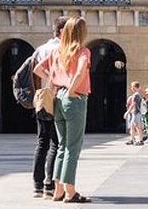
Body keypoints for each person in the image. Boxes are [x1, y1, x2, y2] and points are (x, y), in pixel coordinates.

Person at [36, 16, 91, 203]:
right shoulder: (83, 52)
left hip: (58, 99)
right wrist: (72, 90)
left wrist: (57, 84)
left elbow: (37, 69)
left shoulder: (57, 52)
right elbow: (80, 72)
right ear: (81, 33)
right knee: (72, 147)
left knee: (61, 146)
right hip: (73, 100)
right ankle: (70, 191)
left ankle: (58, 190)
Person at [31, 16, 67, 198]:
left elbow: (35, 70)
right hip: (56, 98)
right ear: (61, 31)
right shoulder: (60, 49)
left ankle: (37, 185)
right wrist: (55, 80)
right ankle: (49, 185)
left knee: (42, 142)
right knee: (56, 143)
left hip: (41, 98)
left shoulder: (40, 49)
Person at [124, 81, 143, 146]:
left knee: (137, 126)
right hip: (135, 112)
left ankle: (140, 140)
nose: (132, 88)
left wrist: (127, 112)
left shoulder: (136, 95)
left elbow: (133, 104)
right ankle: (132, 139)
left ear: (136, 87)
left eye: (133, 87)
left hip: (136, 112)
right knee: (132, 126)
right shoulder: (137, 95)